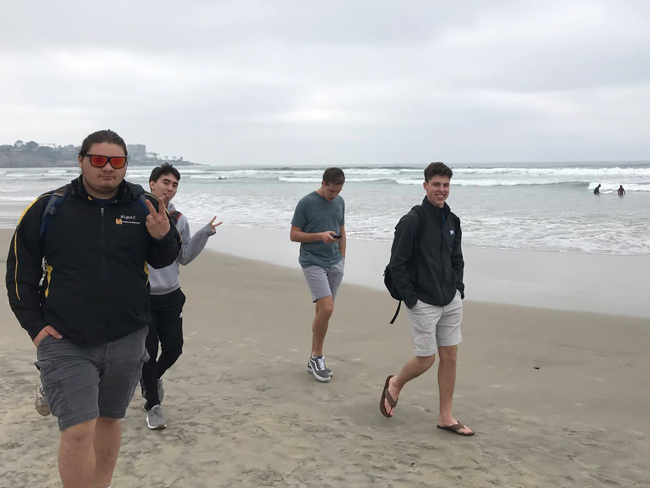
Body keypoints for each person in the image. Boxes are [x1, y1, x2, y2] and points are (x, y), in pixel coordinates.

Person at [6, 130, 181, 488]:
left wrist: (164, 235)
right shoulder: (48, 208)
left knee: (109, 420)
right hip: (65, 337)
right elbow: (19, 272)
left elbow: (163, 261)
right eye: (98, 160)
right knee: (78, 427)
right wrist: (35, 326)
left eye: (117, 162)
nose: (108, 169)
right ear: (82, 160)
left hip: (127, 335)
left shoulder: (143, 205)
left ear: (126, 165)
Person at [380, 162, 473, 436]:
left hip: (450, 299)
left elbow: (457, 258)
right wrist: (412, 299)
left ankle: (446, 416)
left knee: (450, 357)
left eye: (445, 185)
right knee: (425, 360)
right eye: (436, 185)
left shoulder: (453, 220)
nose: (441, 190)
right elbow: (397, 264)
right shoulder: (413, 220)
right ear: (425, 186)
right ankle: (395, 383)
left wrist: (459, 289)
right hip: (423, 301)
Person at [142, 163, 222, 430]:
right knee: (149, 353)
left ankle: (151, 379)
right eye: (166, 182)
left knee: (174, 348)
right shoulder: (136, 214)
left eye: (175, 185)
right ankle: (153, 405)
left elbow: (184, 257)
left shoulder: (179, 220)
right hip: (142, 297)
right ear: (152, 183)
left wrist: (204, 233)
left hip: (171, 295)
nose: (170, 188)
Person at [290, 168, 346, 382]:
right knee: (328, 308)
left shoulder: (340, 202)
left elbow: (342, 229)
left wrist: (342, 259)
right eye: (331, 191)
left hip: (335, 262)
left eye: (338, 191)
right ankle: (317, 356)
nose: (334, 196)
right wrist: (319, 236)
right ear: (323, 183)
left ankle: (313, 358)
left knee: (323, 311)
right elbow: (294, 235)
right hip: (312, 262)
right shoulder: (306, 203)